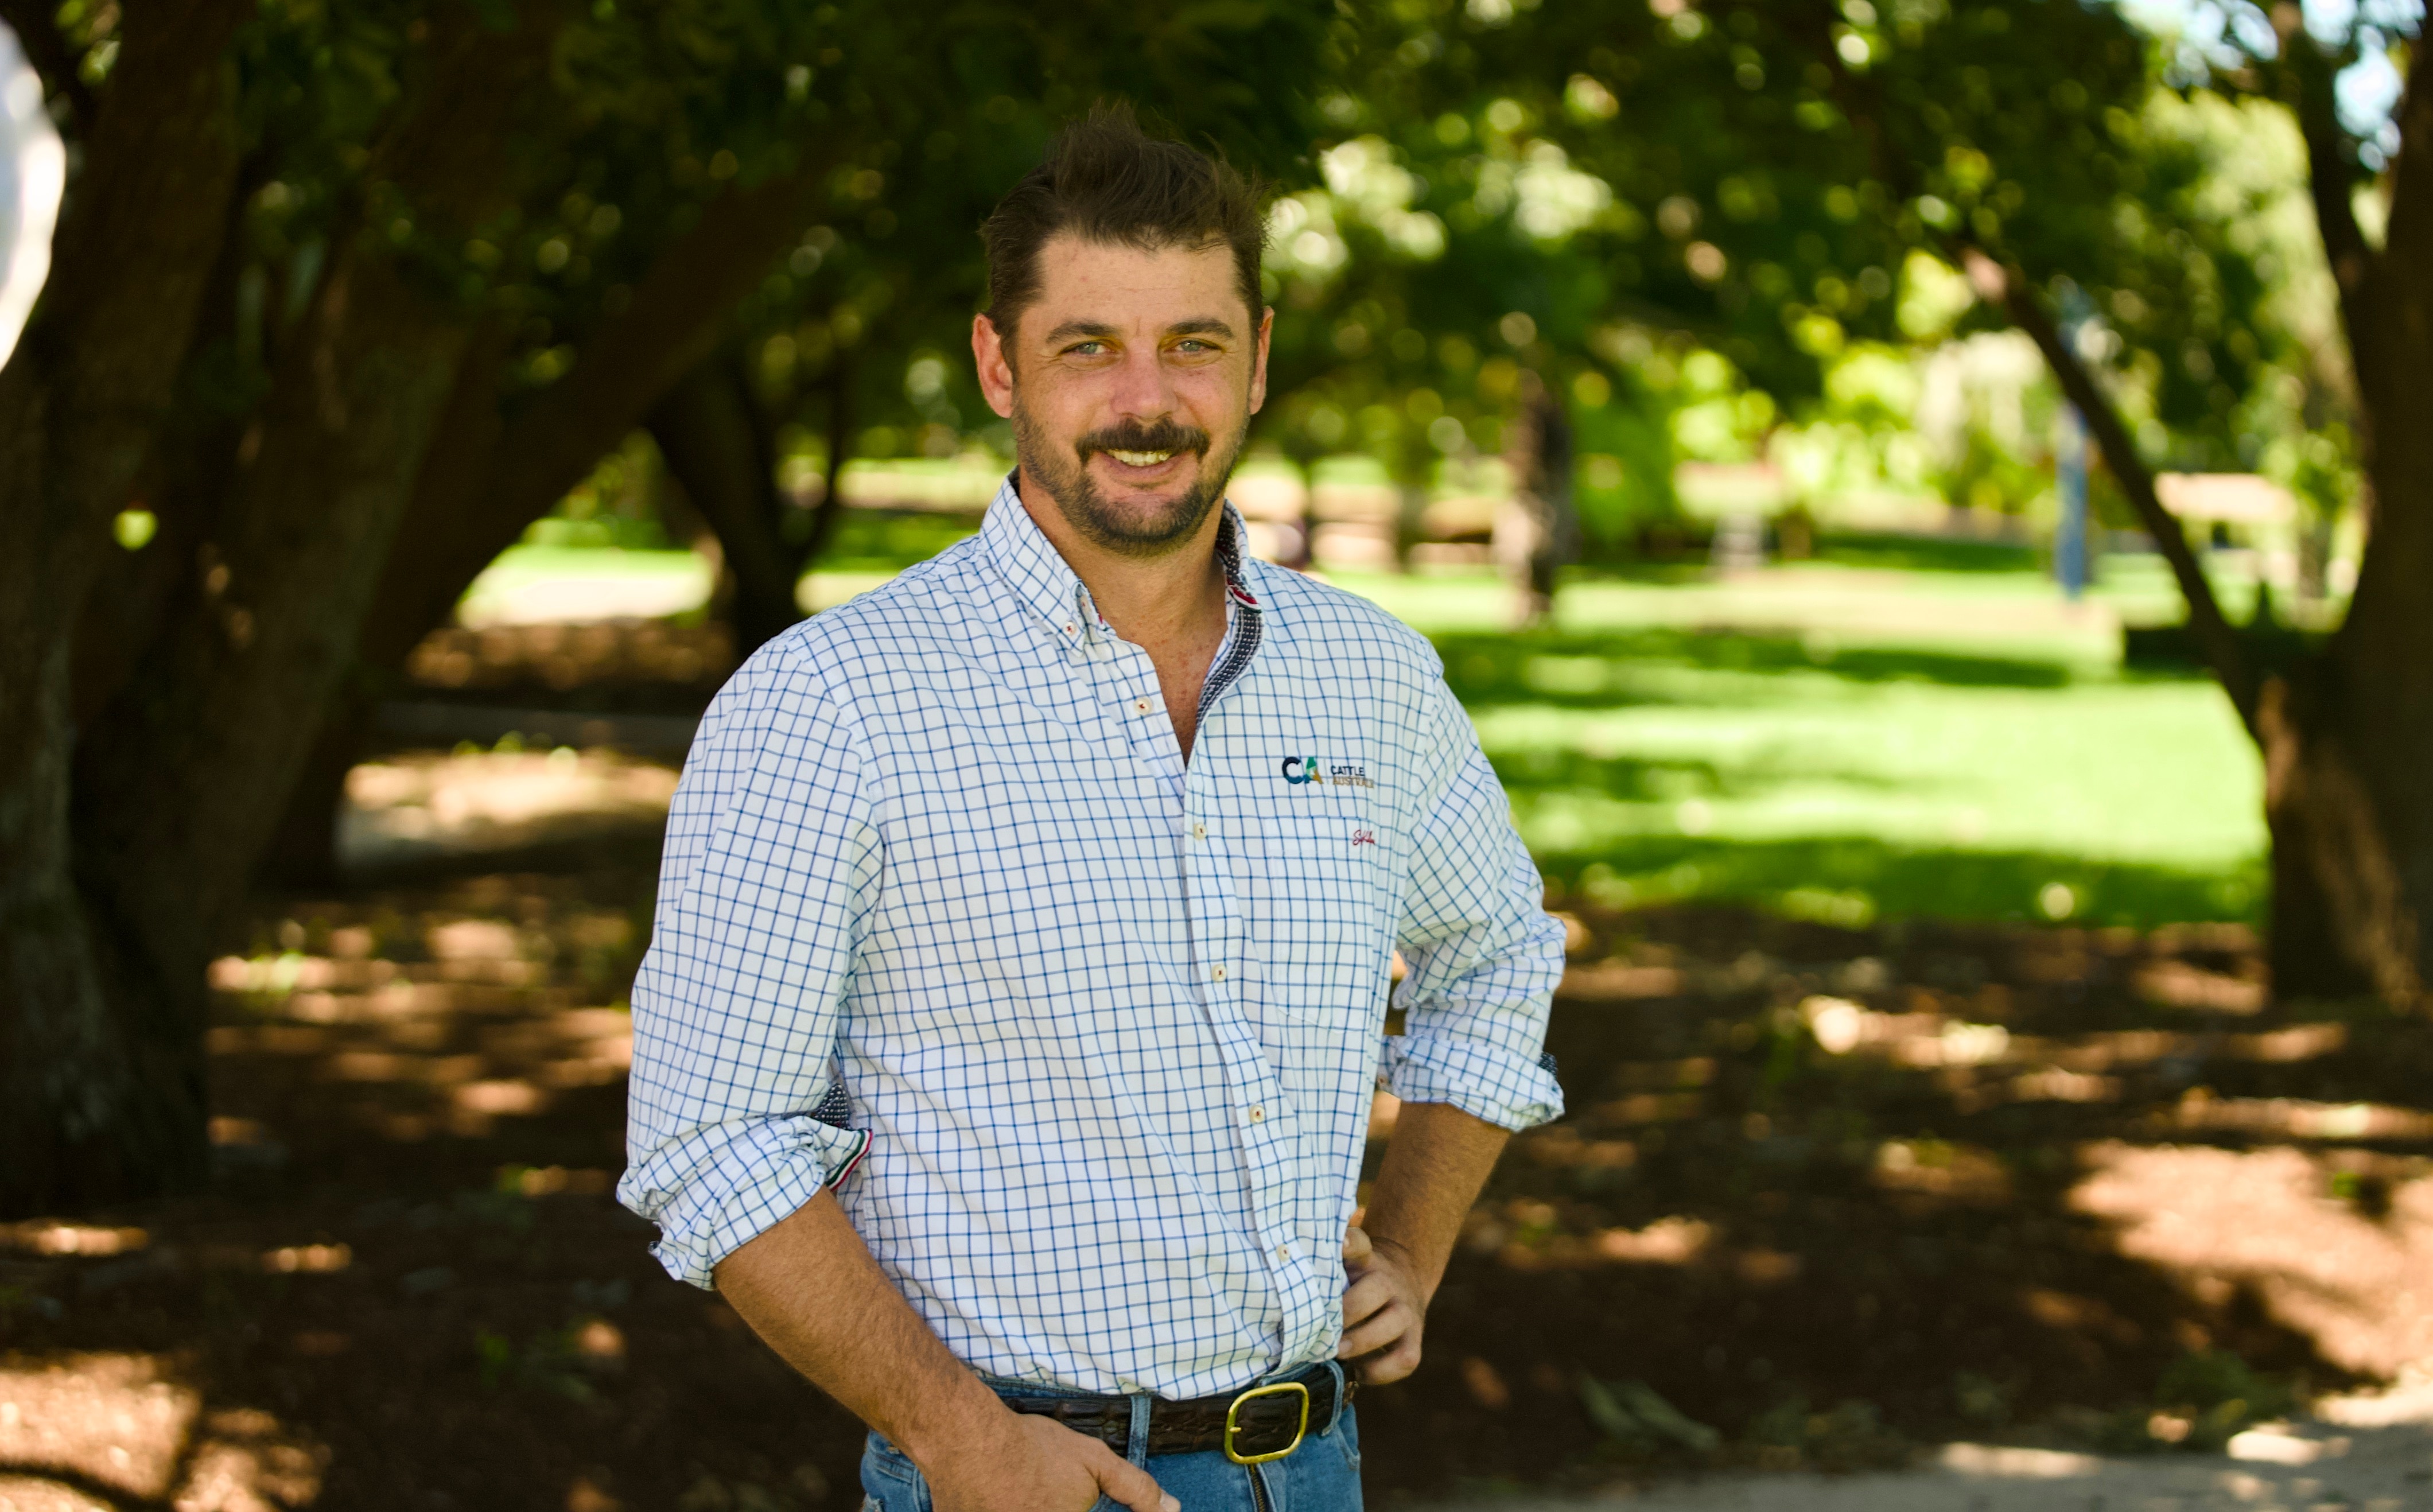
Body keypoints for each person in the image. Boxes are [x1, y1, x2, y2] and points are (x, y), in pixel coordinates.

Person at [619, 106, 1565, 1512]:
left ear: (1256, 364)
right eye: (1088, 347)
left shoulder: (1369, 674)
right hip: (1013, 1479)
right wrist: (963, 1438)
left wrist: (1412, 1250)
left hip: (1309, 1469)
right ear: (1000, 365)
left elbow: (1494, 954)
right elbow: (710, 1140)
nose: (1146, 398)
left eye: (1193, 342)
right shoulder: (826, 704)